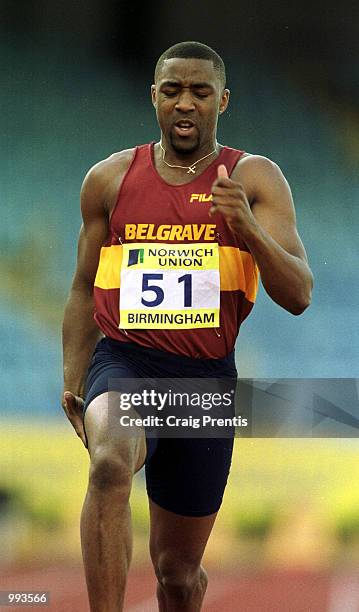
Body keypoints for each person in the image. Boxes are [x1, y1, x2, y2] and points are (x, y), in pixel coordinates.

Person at [62, 41, 313, 612]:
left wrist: (246, 226)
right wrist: (75, 379)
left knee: (177, 574)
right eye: (172, 90)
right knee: (107, 463)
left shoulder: (254, 178)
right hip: (126, 361)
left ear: (222, 101)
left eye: (200, 92)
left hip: (204, 380)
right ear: (154, 97)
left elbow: (298, 294)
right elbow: (82, 288)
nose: (185, 103)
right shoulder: (109, 179)